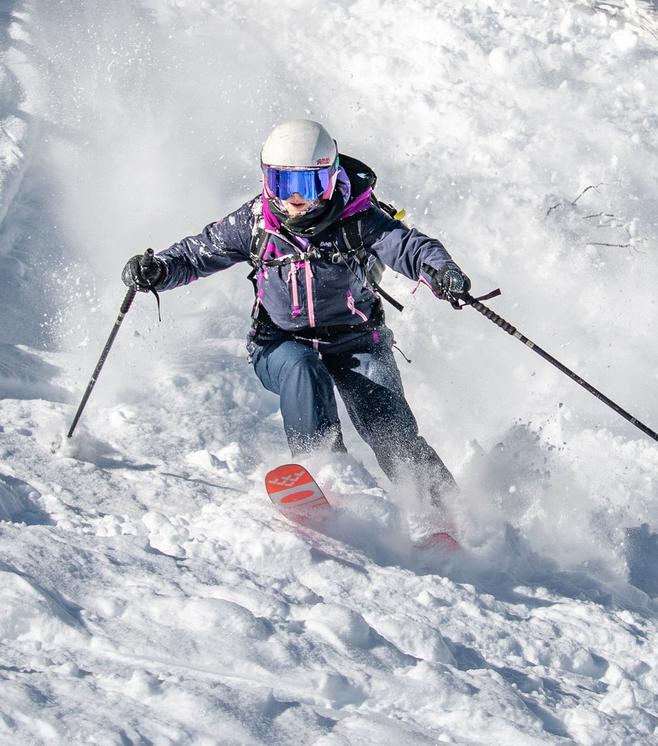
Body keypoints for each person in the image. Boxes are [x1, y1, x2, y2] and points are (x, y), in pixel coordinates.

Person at [123, 120, 471, 516]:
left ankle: (449, 514)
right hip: (280, 343)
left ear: (329, 179)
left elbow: (409, 246)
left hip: (357, 339)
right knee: (303, 370)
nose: (293, 199)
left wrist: (442, 272)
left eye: (306, 185)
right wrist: (159, 270)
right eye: (280, 183)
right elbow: (197, 252)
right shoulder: (254, 222)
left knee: (390, 425)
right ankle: (327, 476)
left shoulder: (360, 219)